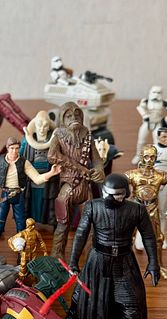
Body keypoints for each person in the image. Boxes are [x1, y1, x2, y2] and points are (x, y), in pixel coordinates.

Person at [67, 173, 160, 319]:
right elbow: (81, 234)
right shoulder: (93, 206)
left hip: (124, 261)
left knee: (131, 304)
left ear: (126, 194)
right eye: (107, 193)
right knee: (82, 292)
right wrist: (73, 262)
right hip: (98, 259)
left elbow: (149, 236)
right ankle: (72, 317)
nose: (110, 198)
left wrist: (153, 262)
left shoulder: (137, 210)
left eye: (116, 194)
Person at [0, 137, 60, 259]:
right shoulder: (0, 161)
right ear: (7, 148)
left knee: (21, 226)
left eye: (17, 148)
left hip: (18, 196)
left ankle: (21, 255)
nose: (14, 151)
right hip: (5, 195)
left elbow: (37, 179)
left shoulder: (24, 162)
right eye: (12, 148)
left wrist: (51, 173)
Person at [47, 102, 105, 258]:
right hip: (68, 185)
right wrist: (79, 168)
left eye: (77, 115)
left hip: (85, 187)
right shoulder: (58, 135)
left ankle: (91, 255)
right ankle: (57, 257)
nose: (74, 118)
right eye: (69, 116)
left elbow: (97, 159)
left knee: (91, 224)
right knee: (62, 223)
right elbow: (52, 156)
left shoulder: (87, 135)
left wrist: (99, 170)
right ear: (62, 118)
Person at [125, 145, 167, 280]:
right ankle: (125, 266)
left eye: (152, 157)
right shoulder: (132, 174)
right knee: (128, 238)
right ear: (141, 157)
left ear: (156, 158)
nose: (149, 160)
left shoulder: (160, 175)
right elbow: (118, 184)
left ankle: (159, 265)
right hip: (135, 208)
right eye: (146, 157)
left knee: (158, 239)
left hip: (152, 209)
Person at [20, 110, 58, 226]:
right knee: (30, 201)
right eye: (39, 125)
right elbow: (20, 156)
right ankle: (28, 222)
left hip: (49, 178)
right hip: (31, 178)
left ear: (49, 127)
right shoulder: (26, 141)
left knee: (49, 201)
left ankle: (51, 222)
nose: (42, 129)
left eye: (45, 126)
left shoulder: (55, 141)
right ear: (35, 126)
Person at [133, 86, 167, 165]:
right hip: (147, 123)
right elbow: (140, 107)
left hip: (158, 123)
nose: (156, 94)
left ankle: (155, 158)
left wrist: (166, 119)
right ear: (150, 92)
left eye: (158, 92)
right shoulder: (146, 101)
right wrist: (144, 115)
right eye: (154, 92)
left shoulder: (164, 102)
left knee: (157, 142)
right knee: (141, 141)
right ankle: (138, 156)